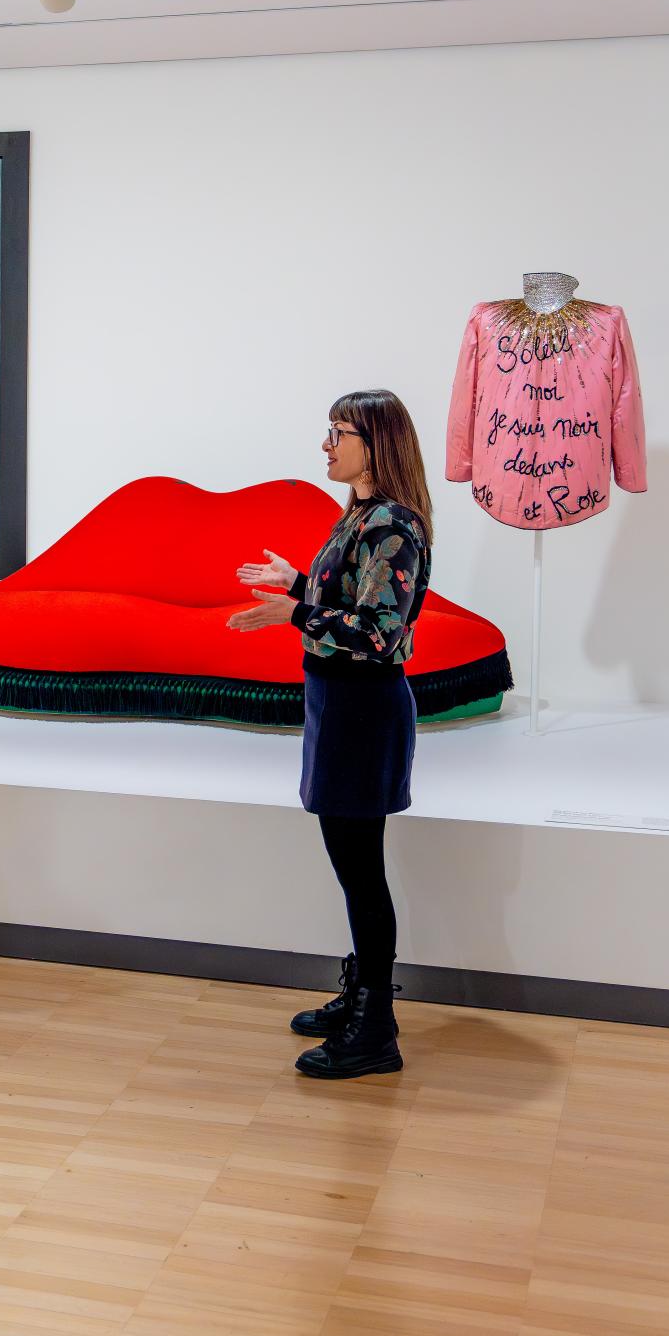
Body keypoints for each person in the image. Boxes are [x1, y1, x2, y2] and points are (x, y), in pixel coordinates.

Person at [229, 389, 432, 1079]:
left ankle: (376, 1025)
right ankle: (363, 999)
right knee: (353, 869)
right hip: (338, 707)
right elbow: (349, 604)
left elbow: (379, 634)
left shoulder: (392, 526)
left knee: (361, 872)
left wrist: (292, 610)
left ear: (375, 443)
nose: (326, 444)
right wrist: (299, 585)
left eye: (339, 432)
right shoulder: (361, 517)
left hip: (363, 712)